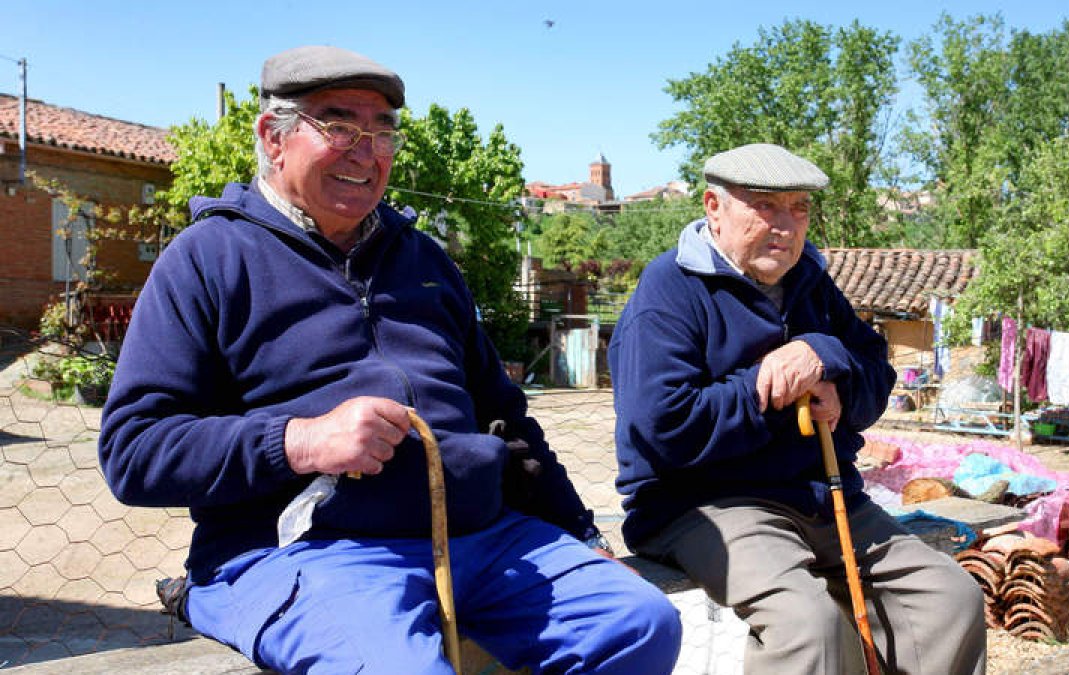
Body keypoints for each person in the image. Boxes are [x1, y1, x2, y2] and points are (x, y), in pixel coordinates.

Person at [99, 45, 680, 675]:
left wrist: (582, 533)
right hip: (312, 554)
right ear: (274, 136)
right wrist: (300, 441)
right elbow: (134, 451)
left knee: (637, 623)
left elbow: (507, 421)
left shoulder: (424, 261)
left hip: (481, 540)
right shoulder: (207, 259)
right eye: (340, 125)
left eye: (382, 131)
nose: (367, 150)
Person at [608, 143, 985, 674]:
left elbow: (874, 370)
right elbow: (666, 428)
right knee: (808, 627)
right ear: (713, 207)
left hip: (821, 496)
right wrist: (774, 389)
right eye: (765, 206)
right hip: (706, 505)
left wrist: (827, 360)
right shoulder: (669, 291)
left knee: (948, 598)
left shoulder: (810, 282)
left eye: (799, 208)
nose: (786, 226)